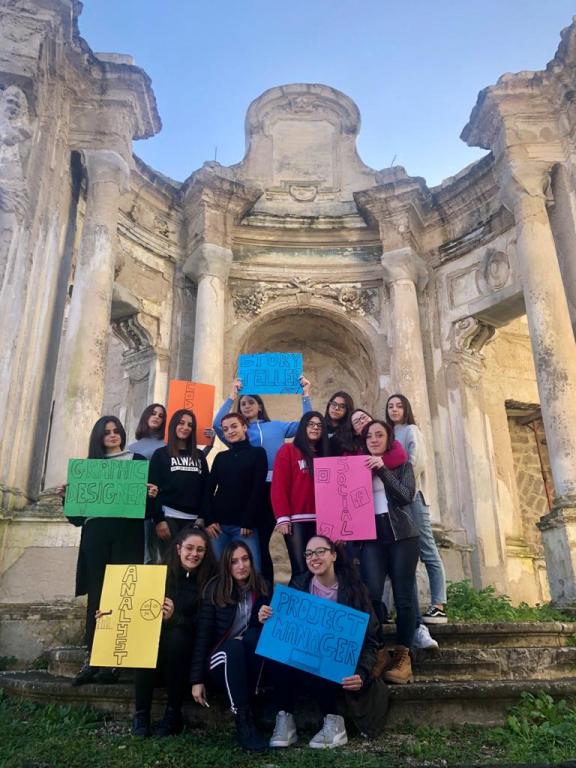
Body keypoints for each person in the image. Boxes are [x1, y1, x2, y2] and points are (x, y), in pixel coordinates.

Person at [259, 535, 381, 749]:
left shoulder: (354, 590)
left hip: (338, 666)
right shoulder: (298, 585)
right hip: (303, 662)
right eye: (308, 553)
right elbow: (284, 632)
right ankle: (285, 718)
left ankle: (334, 720)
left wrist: (362, 672)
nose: (313, 557)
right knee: (277, 649)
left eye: (320, 551)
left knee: (322, 654)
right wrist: (268, 617)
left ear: (333, 555)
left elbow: (371, 640)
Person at [62, 416, 158, 686]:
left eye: (117, 431)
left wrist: (152, 497)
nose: (113, 435)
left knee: (121, 596)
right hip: (96, 535)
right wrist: (67, 499)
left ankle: (113, 662)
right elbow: (77, 518)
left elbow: (146, 513)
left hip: (127, 534)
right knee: (97, 595)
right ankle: (91, 659)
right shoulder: (89, 468)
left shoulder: (138, 463)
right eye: (107, 433)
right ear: (99, 437)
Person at [213, 375, 312, 583]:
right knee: (260, 541)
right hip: (254, 493)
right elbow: (217, 425)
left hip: (279, 488)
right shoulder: (239, 430)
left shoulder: (277, 426)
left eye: (251, 402)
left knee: (283, 540)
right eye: (243, 403)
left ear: (259, 406)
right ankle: (264, 588)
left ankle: (290, 587)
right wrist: (232, 396)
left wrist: (305, 395)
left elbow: (306, 424)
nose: (246, 406)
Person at [132, 526, 217, 737]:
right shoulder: (159, 575)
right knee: (145, 641)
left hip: (184, 660)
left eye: (200, 550)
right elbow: (135, 611)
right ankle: (141, 714)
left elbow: (204, 627)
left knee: (176, 638)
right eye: (189, 548)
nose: (194, 554)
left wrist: (175, 617)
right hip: (154, 659)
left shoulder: (210, 583)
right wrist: (109, 612)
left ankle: (173, 713)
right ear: (178, 548)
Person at [190, 541, 270, 752]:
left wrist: (263, 618)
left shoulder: (261, 587)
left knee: (254, 637)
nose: (241, 565)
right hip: (219, 660)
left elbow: (260, 632)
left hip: (245, 659)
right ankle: (242, 720)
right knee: (234, 648)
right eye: (234, 562)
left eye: (245, 559)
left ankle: (254, 702)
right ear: (226, 565)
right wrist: (196, 679)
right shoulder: (215, 590)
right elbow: (202, 637)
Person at [359, 419, 419, 684]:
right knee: (371, 593)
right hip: (371, 535)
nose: (373, 439)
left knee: (403, 595)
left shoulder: (403, 465)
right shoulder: (357, 467)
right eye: (369, 436)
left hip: (402, 535)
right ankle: (379, 650)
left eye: (379, 435)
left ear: (388, 438)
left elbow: (406, 496)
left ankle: (404, 655)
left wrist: (382, 469)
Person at [386, 394, 448, 641]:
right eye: (390, 406)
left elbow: (416, 462)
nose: (394, 409)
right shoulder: (388, 434)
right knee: (401, 555)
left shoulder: (411, 430)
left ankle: (439, 603)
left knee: (427, 549)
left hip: (412, 498)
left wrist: (399, 486)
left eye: (399, 405)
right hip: (395, 500)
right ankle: (395, 606)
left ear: (406, 409)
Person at [271, 412, 329, 581]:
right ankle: (294, 607)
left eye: (319, 425)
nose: (315, 428)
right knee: (301, 570)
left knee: (319, 571)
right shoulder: (288, 450)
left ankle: (316, 606)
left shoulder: (325, 455)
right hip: (296, 521)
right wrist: (282, 517)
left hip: (323, 521)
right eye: (310, 424)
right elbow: (279, 486)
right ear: (303, 427)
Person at [205, 413, 268, 568]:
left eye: (234, 426)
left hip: (244, 527)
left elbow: (257, 489)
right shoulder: (221, 457)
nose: (230, 431)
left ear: (244, 427)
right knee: (220, 572)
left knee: (251, 572)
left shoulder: (258, 453)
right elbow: (208, 489)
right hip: (218, 527)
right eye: (226, 429)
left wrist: (248, 520)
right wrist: (209, 520)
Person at [149, 409, 210, 556]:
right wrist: (159, 520)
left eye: (190, 425)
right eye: (181, 423)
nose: (185, 427)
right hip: (169, 520)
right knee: (169, 566)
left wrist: (203, 517)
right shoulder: (160, 454)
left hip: (194, 522)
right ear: (173, 425)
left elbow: (206, 489)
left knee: (192, 564)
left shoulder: (200, 456)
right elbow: (152, 490)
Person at [128, 403, 167, 564]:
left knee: (162, 554)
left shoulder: (167, 446)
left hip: (161, 505)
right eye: (153, 413)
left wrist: (208, 445)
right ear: (145, 416)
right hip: (138, 506)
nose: (157, 416)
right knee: (144, 553)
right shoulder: (130, 448)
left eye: (161, 415)